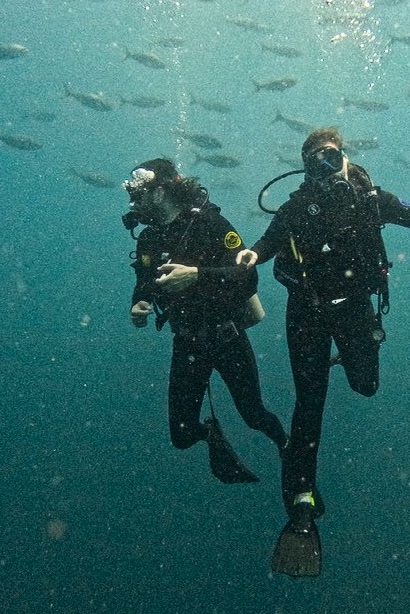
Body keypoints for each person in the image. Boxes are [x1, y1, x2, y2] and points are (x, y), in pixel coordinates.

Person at [237, 128, 410, 576]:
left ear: (346, 158)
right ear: (305, 167)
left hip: (354, 311)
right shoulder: (297, 206)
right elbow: (266, 244)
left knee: (366, 386)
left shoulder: (370, 198)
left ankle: (341, 362)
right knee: (308, 404)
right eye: (316, 161)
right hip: (307, 313)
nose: (326, 167)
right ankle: (300, 500)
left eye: (332, 158)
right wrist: (248, 257)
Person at [122, 158, 287, 486]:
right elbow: (145, 279)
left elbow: (247, 278)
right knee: (182, 435)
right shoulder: (149, 240)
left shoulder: (212, 225)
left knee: (254, 415)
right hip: (186, 341)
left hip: (226, 337)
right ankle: (211, 434)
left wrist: (196, 276)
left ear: (161, 191)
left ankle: (288, 447)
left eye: (139, 193)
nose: (133, 202)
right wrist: (140, 302)